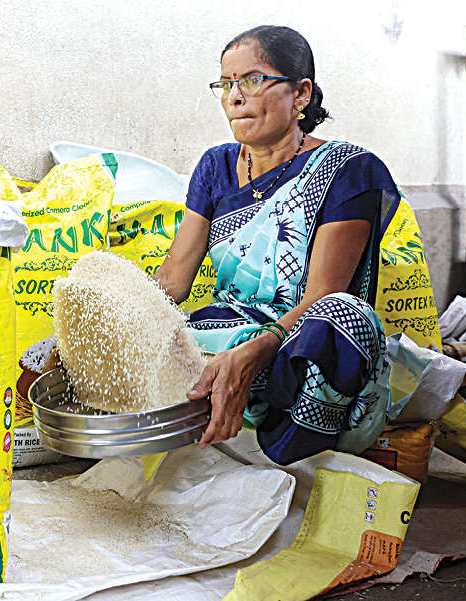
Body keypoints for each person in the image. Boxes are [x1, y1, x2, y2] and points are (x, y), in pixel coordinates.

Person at [152, 25, 399, 464]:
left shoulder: (346, 169)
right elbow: (173, 281)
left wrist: (253, 353)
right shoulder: (215, 166)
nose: (234, 98)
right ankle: (222, 425)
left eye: (252, 80)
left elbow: (323, 296)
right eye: (226, 84)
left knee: (343, 317)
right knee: (164, 339)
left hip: (299, 350)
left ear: (300, 93)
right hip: (226, 336)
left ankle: (284, 456)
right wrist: (106, 319)